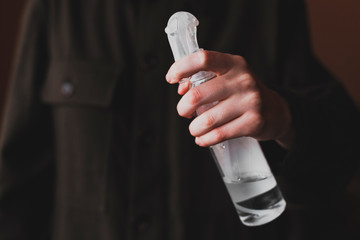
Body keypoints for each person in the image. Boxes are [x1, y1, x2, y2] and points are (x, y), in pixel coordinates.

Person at [0, 0, 359, 239]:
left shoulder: (266, 8)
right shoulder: (58, 8)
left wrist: (283, 115)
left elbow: (340, 155)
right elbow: (18, 174)